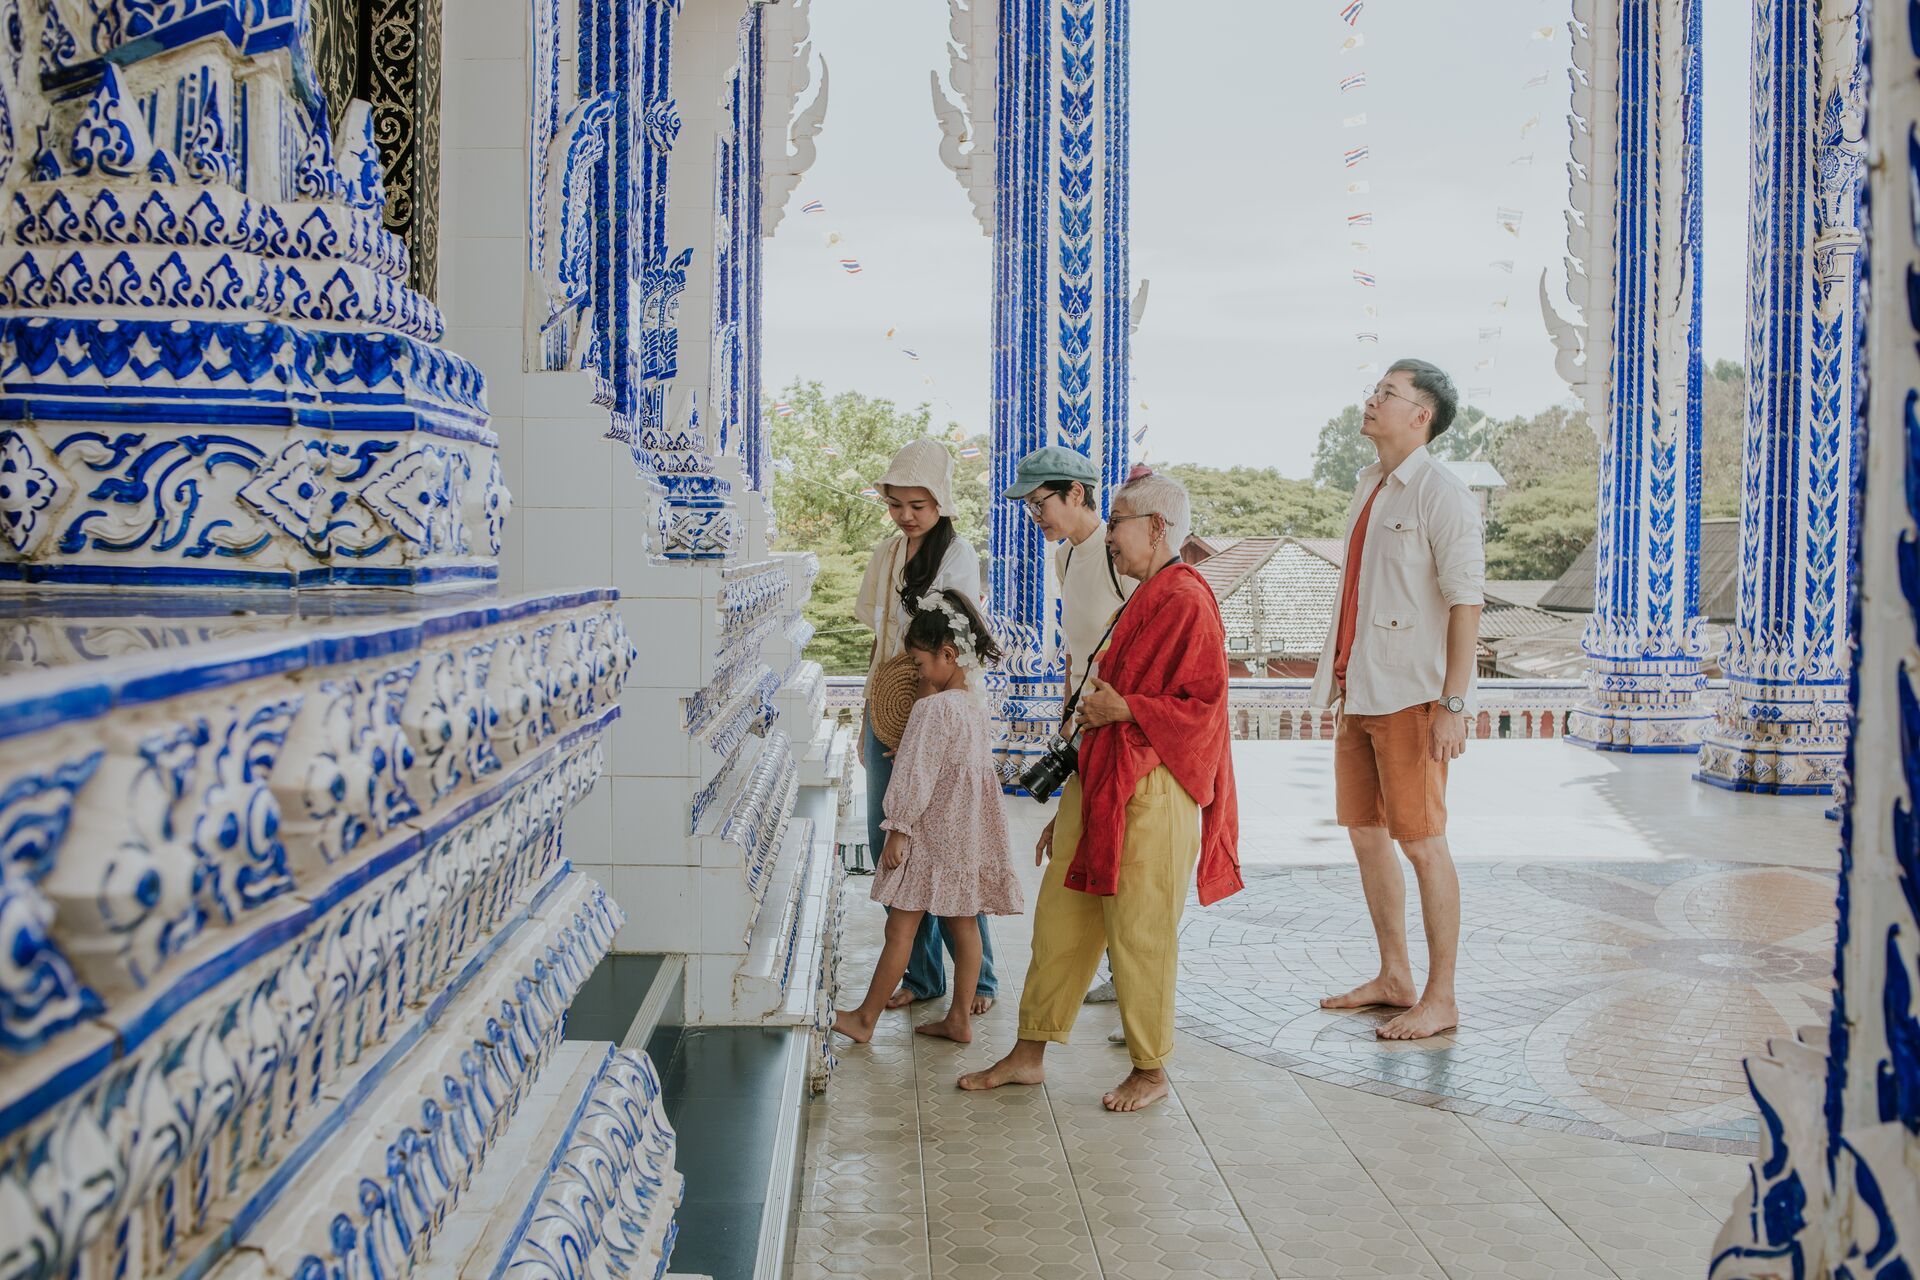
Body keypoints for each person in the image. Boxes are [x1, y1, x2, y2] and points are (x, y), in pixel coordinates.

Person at [958, 466, 1242, 1112]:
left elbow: (1204, 709)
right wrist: (1072, 805)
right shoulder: (1146, 595)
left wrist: (1130, 712)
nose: (1109, 536)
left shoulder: (1188, 599)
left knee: (1140, 930)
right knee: (1060, 918)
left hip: (1153, 788)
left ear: (1157, 527)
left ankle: (1151, 1067)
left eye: (1117, 524)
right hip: (1102, 779)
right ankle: (1029, 1051)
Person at [1309, 358, 1484, 1042]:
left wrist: (1455, 703)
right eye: (1375, 387)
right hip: (1361, 690)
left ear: (1422, 416)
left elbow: (1466, 601)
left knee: (1423, 843)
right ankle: (1394, 976)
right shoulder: (1372, 486)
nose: (1373, 399)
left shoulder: (1441, 492)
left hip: (1413, 696)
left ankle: (1441, 998)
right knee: (1365, 833)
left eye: (1389, 393)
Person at [833, 591, 1023, 1045]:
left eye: (919, 665)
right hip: (966, 837)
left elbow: (915, 775)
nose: (917, 674)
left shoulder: (931, 709)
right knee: (964, 923)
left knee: (900, 928)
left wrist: (898, 829)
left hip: (930, 836)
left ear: (948, 654)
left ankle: (863, 1020)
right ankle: (960, 1018)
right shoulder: (975, 707)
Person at [853, 438, 999, 1012]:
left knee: (950, 849)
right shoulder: (888, 554)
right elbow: (879, 636)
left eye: (918, 505)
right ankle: (923, 975)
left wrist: (919, 728)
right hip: (889, 700)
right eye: (897, 504)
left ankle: (979, 979)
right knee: (885, 838)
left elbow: (948, 647)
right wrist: (875, 715)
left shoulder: (957, 554)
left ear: (941, 503)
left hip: (937, 707)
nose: (907, 516)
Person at [1002, 446, 1134, 1027]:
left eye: (1042, 503)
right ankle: (1104, 968)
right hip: (1082, 724)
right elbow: (1074, 649)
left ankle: (1132, 980)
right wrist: (1064, 714)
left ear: (1076, 493)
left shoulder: (1116, 555)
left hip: (1119, 727)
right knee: (1085, 847)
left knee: (1124, 852)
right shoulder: (1063, 559)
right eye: (1030, 507)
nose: (1037, 517)